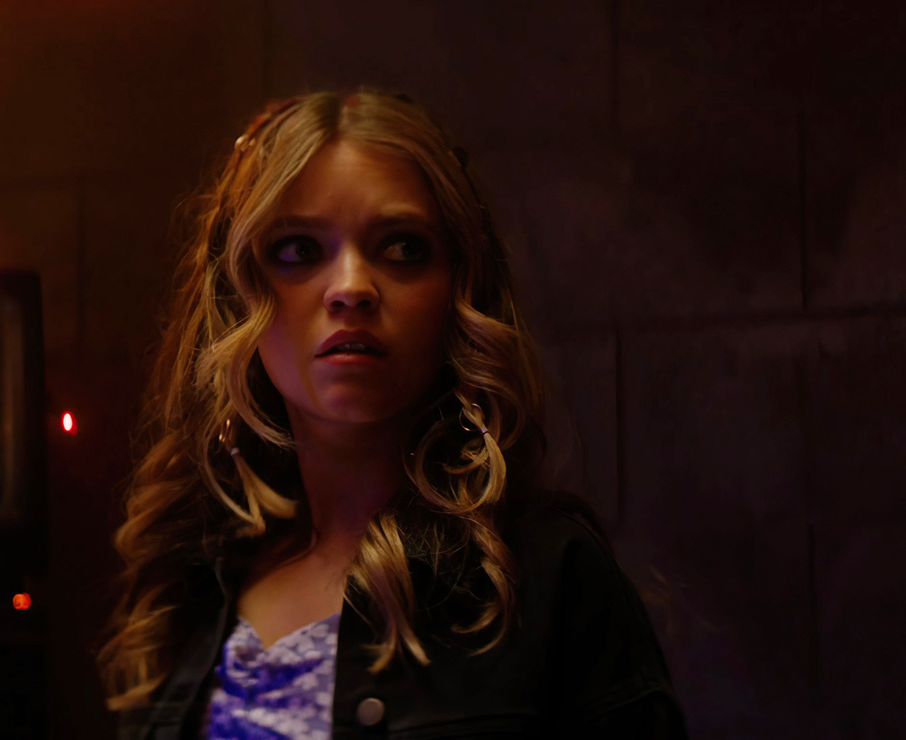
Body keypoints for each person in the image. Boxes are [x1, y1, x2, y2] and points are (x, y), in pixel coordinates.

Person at [97, 90, 687, 739]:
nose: (351, 287)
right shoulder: (190, 589)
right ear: (238, 296)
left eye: (403, 247)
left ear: (460, 288)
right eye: (298, 250)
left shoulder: (548, 577)